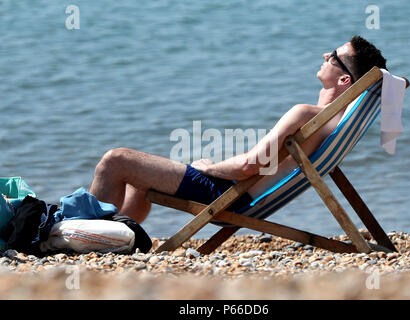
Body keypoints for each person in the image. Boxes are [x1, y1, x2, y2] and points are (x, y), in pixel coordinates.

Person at [89, 35, 387, 224]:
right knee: (139, 176)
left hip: (229, 195)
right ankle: (117, 237)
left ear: (344, 81)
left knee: (116, 160)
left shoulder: (307, 114)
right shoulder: (329, 124)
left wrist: (207, 168)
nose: (325, 55)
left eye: (333, 57)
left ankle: (85, 236)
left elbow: (249, 165)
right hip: (243, 195)